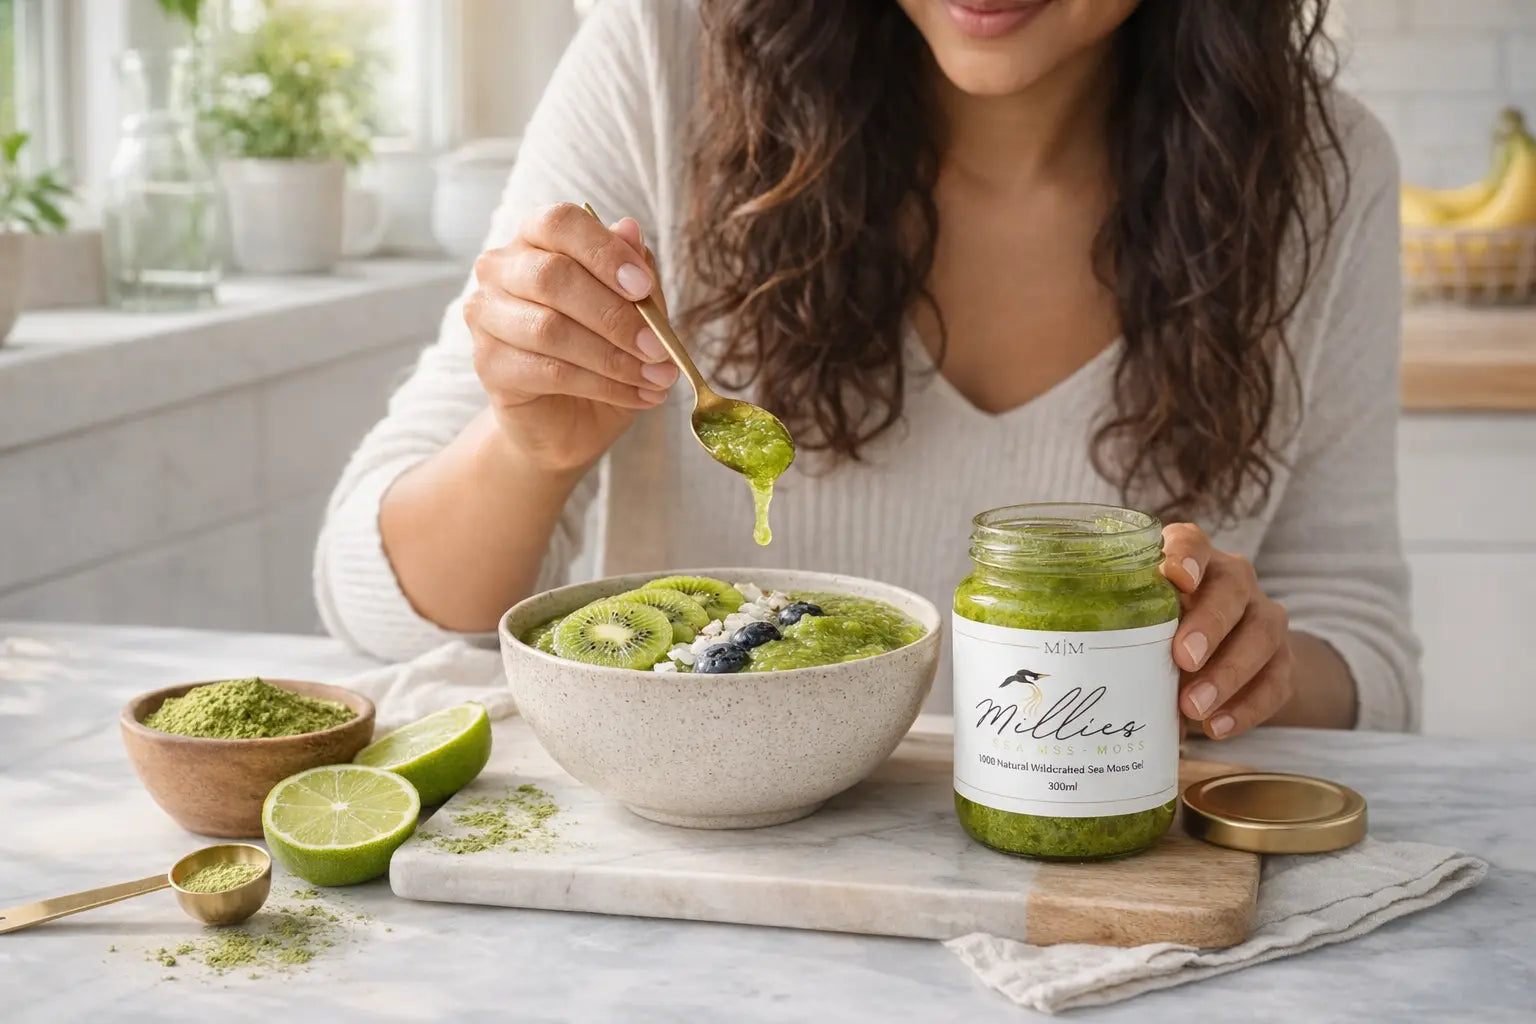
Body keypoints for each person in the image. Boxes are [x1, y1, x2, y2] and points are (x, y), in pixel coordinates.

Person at [316, 0, 1421, 737]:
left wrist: (1244, 666)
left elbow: (1362, 646)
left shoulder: (1323, 179)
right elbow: (386, 611)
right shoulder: (663, 66)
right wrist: (525, 450)